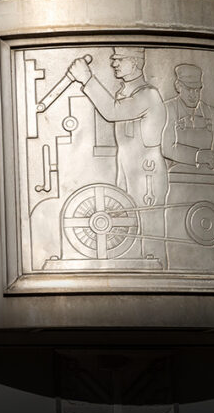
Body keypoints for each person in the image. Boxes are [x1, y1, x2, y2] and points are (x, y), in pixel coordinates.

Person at [69, 47, 167, 260]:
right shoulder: (124, 93)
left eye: (119, 59)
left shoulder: (148, 94)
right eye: (113, 59)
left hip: (146, 178)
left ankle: (155, 280)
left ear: (136, 62)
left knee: (149, 238)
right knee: (128, 235)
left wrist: (87, 78)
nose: (113, 63)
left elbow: (113, 111)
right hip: (126, 173)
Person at [162, 63, 214, 170]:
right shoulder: (168, 109)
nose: (193, 95)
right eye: (189, 89)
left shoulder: (212, 113)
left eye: (197, 90)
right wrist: (198, 156)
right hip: (177, 177)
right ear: (178, 86)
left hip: (210, 177)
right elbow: (166, 148)